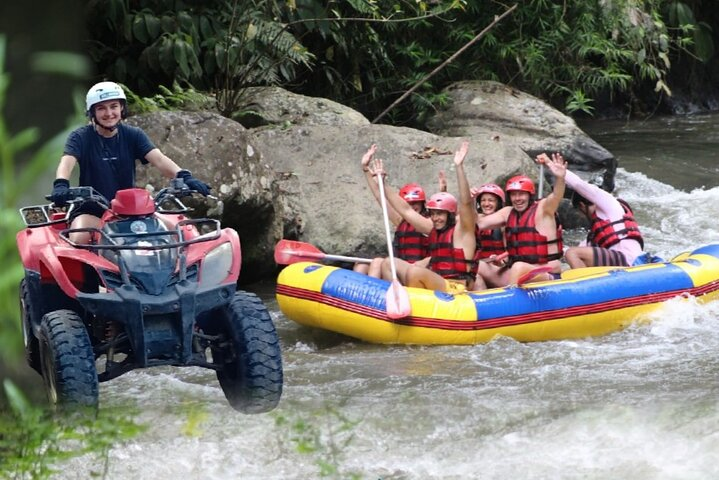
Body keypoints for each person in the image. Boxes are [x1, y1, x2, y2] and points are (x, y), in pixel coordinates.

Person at [50, 81, 210, 243]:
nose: (109, 113)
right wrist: (61, 184)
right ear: (92, 112)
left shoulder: (133, 134)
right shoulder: (80, 137)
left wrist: (185, 176)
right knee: (79, 237)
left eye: (113, 106)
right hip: (92, 211)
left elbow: (159, 159)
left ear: (122, 108)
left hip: (131, 211)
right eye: (101, 108)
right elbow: (66, 162)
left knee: (177, 233)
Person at [376, 140, 478, 292]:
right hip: (437, 283)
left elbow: (465, 203)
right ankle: (396, 299)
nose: (436, 218)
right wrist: (381, 184)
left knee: (416, 272)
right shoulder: (433, 228)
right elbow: (406, 210)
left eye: (440, 214)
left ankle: (412, 305)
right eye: (433, 214)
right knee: (388, 263)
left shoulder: (464, 232)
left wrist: (459, 167)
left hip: (456, 288)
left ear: (450, 215)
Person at [475, 152, 566, 286]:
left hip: (545, 272)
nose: (517, 198)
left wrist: (560, 179)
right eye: (513, 195)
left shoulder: (544, 208)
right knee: (477, 265)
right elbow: (479, 223)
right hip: (515, 272)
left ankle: (511, 302)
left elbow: (556, 196)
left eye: (521, 194)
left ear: (530, 195)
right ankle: (483, 301)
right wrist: (470, 201)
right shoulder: (508, 212)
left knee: (519, 267)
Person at [354, 144, 437, 277]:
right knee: (365, 263)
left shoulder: (429, 224)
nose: (412, 206)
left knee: (377, 263)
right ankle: (362, 295)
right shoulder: (400, 221)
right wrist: (365, 170)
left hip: (418, 272)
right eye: (409, 203)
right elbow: (379, 195)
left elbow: (407, 211)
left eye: (416, 203)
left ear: (422, 204)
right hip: (398, 268)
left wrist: (383, 182)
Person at [563, 162, 645, 268]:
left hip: (629, 259)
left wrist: (562, 172)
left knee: (572, 253)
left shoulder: (609, 204)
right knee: (572, 253)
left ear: (582, 205)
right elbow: (581, 249)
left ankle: (584, 283)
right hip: (619, 262)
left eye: (579, 211)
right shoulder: (594, 233)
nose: (581, 216)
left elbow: (579, 184)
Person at [472, 183, 508, 289]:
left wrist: (502, 261)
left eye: (491, 200)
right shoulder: (476, 219)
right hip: (480, 267)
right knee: (476, 278)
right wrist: (470, 201)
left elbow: (511, 252)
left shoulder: (503, 223)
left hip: (499, 269)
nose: (486, 204)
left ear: (498, 203)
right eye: (483, 200)